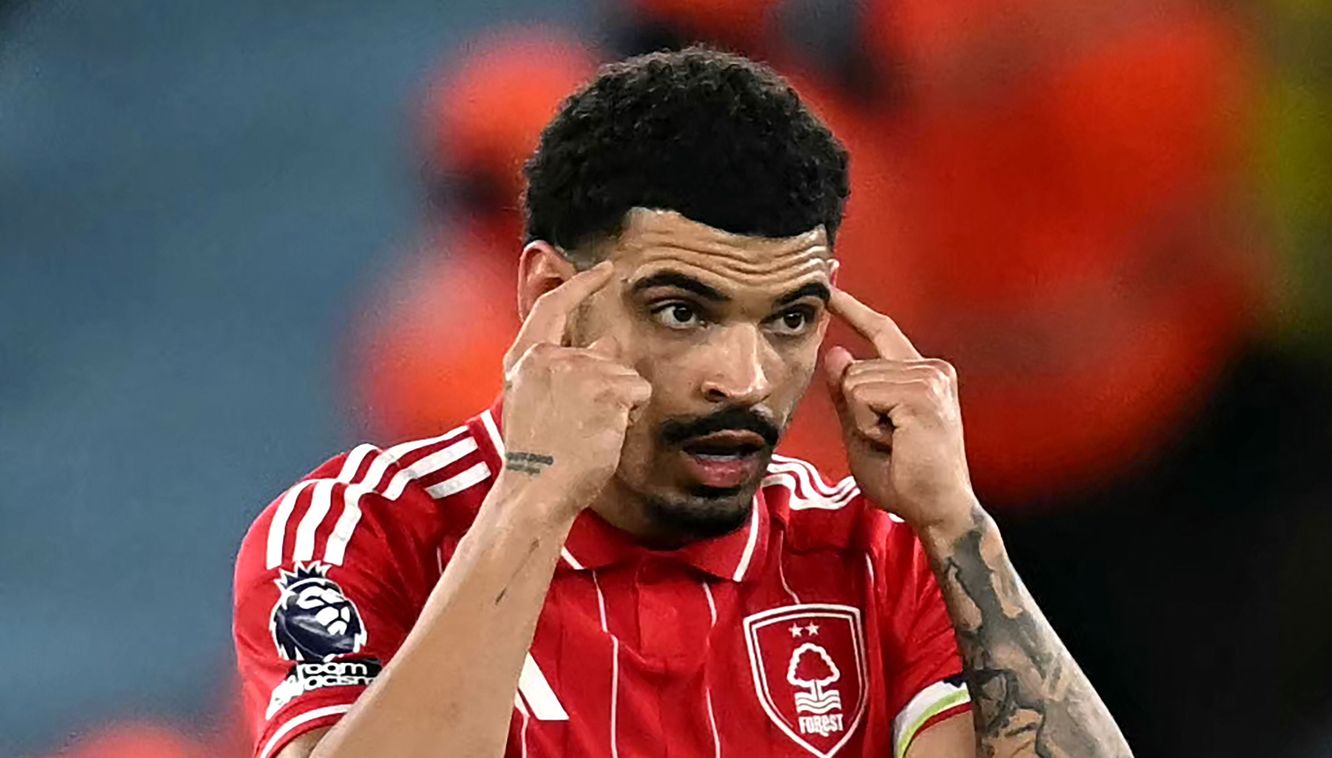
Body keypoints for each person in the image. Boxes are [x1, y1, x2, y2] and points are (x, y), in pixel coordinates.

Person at [233, 47, 1132, 758]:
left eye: (788, 319)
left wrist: (957, 527)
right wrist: (534, 500)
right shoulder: (355, 532)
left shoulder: (875, 552)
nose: (741, 378)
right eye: (680, 311)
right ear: (551, 293)